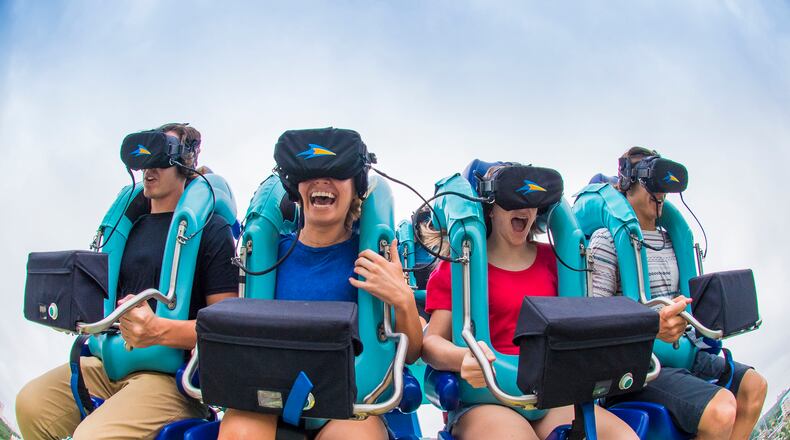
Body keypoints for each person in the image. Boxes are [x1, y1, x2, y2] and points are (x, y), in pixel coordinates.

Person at [16, 123, 239, 440]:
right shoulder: (128, 227)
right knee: (31, 404)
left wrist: (158, 330)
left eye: (160, 157)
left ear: (185, 161)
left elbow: (227, 329)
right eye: (144, 159)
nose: (149, 168)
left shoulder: (210, 231)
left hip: (167, 378)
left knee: (91, 437)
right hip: (107, 363)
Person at [217, 127, 423, 440]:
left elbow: (411, 353)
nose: (322, 182)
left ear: (356, 187)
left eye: (337, 173)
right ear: (294, 186)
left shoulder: (374, 258)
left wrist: (404, 299)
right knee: (239, 430)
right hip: (271, 397)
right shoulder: (269, 258)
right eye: (309, 173)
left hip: (349, 405)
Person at [421, 161, 638, 440]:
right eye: (513, 198)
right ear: (490, 205)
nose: (524, 208)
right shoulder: (459, 264)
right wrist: (461, 358)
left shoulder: (557, 260)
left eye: (534, 201)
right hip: (488, 398)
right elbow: (431, 342)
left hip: (549, 396)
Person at [588, 146, 768, 440]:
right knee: (721, 410)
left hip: (687, 354)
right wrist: (649, 326)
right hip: (641, 368)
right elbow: (595, 319)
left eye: (664, 186)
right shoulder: (605, 241)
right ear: (627, 183)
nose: (660, 193)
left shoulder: (673, 240)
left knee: (754, 387)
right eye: (652, 183)